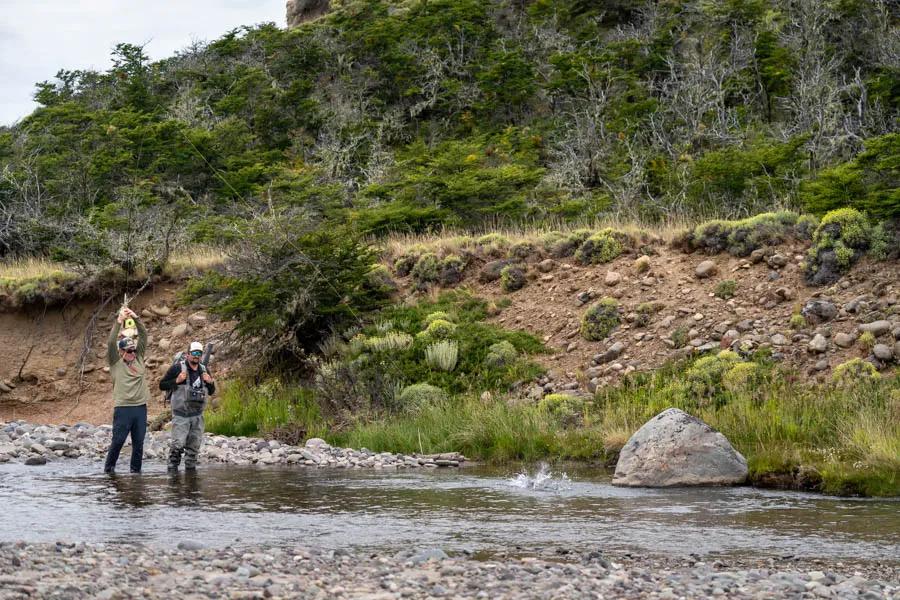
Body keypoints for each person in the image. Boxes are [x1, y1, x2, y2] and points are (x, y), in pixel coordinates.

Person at [103, 307, 150, 475]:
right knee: (118, 441)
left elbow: (143, 335)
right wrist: (119, 321)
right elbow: (110, 343)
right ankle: (109, 471)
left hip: (140, 408)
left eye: (133, 350)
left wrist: (135, 318)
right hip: (123, 408)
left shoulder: (139, 358)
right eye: (129, 351)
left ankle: (136, 473)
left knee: (139, 443)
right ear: (121, 351)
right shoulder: (115, 363)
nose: (132, 353)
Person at [159, 341, 215, 473]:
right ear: (188, 354)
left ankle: (191, 477)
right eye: (194, 353)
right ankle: (173, 475)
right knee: (177, 447)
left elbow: (211, 391)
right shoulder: (177, 368)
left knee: (193, 449)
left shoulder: (204, 369)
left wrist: (210, 382)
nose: (196, 356)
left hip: (198, 416)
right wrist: (176, 381)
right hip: (181, 415)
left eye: (199, 353)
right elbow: (162, 385)